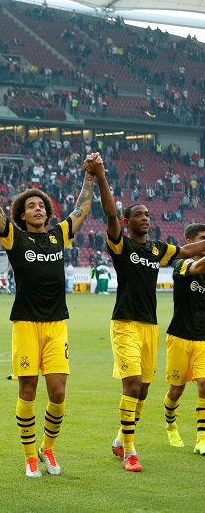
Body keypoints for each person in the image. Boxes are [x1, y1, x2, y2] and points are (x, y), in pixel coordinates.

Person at [89, 152, 205, 472]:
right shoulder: (121, 245)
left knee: (144, 390)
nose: (146, 218)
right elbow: (110, 213)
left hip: (150, 327)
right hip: (124, 322)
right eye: (139, 215)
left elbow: (186, 250)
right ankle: (130, 451)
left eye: (147, 215)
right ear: (128, 222)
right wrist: (101, 176)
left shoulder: (155, 249)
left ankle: (118, 438)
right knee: (132, 385)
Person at [0, 153, 96, 477]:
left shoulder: (58, 235)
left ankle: (48, 448)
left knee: (58, 392)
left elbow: (81, 209)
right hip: (25, 323)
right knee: (28, 390)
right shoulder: (14, 237)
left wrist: (89, 177)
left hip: (56, 323)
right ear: (22, 213)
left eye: (42, 205)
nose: (39, 208)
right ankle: (29, 455)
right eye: (32, 205)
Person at [162, 223, 205, 453]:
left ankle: (202, 438)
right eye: (203, 238)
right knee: (176, 390)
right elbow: (196, 269)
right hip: (179, 336)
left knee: (204, 384)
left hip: (203, 338)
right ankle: (170, 423)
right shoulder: (181, 263)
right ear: (190, 242)